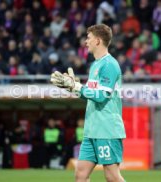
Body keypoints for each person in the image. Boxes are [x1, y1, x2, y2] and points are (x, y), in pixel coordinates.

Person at [50, 24, 126, 182]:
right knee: (80, 175)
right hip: (91, 129)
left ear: (98, 41)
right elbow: (89, 95)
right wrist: (73, 88)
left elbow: (101, 96)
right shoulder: (95, 65)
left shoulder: (109, 65)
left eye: (89, 38)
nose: (86, 42)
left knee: (112, 177)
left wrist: (78, 86)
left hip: (107, 129)